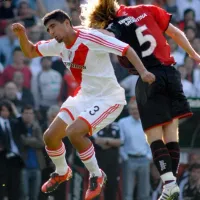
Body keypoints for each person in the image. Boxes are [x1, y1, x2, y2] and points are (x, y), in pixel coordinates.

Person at [12, 9, 155, 200]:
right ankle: (62, 171)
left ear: (67, 23)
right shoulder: (58, 45)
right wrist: (22, 35)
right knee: (50, 137)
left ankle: (97, 175)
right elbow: (29, 51)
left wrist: (143, 72)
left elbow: (126, 49)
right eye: (48, 29)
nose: (51, 32)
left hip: (108, 98)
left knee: (74, 132)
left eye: (53, 26)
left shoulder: (91, 38)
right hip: (84, 97)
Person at [80, 1, 200, 199]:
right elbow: (175, 33)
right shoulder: (148, 9)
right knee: (171, 133)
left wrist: (88, 35)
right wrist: (194, 54)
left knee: (153, 136)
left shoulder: (114, 25)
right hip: (171, 73)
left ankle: (169, 184)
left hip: (148, 77)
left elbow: (108, 38)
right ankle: (172, 185)